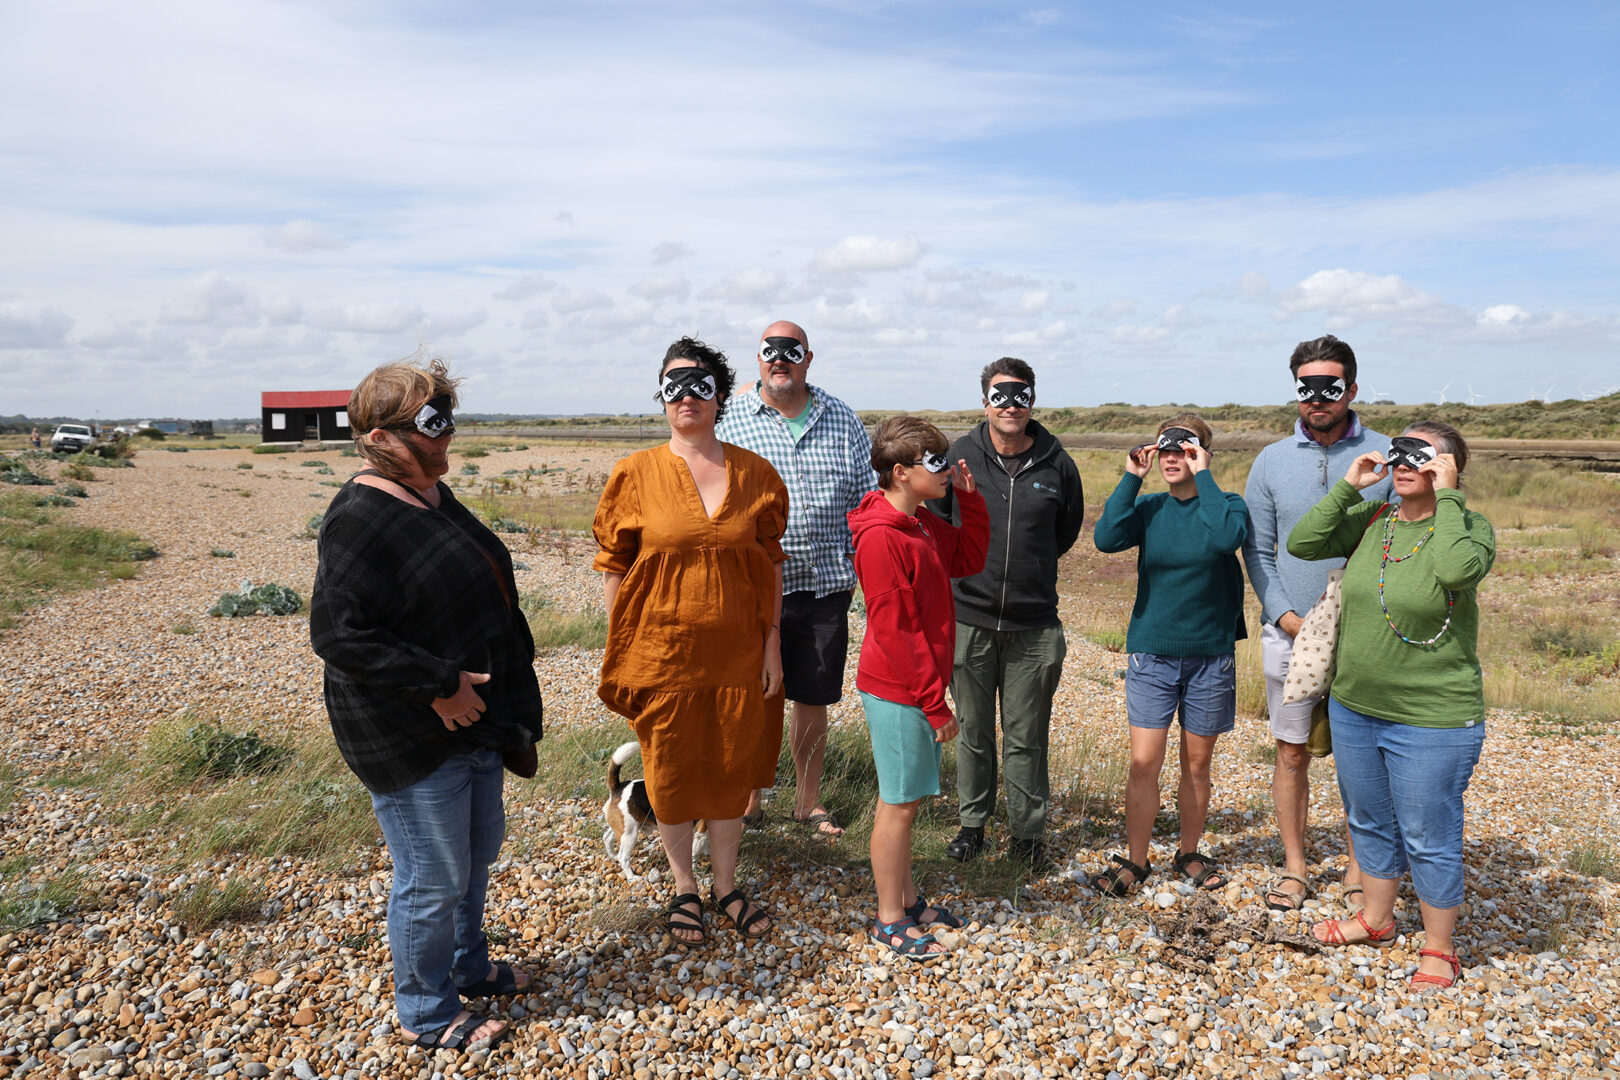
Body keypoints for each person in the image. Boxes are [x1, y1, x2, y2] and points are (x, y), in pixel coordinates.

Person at [310, 355, 541, 1052]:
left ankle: (469, 967)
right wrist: (440, 684)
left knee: (474, 857)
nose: (445, 440)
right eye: (429, 425)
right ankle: (428, 1011)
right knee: (431, 877)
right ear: (380, 438)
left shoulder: (431, 494)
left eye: (447, 421)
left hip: (474, 722)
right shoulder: (358, 514)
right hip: (411, 731)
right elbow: (337, 634)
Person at [594, 336, 788, 946]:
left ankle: (726, 885)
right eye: (673, 385)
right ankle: (684, 888)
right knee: (672, 769)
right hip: (663, 652)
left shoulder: (755, 474)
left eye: (699, 385)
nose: (686, 397)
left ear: (722, 397)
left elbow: (772, 564)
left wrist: (772, 642)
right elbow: (613, 565)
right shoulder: (636, 473)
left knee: (732, 766)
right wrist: (625, 641)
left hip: (738, 650)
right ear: (661, 397)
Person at [1290, 422, 1493, 991]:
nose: (1404, 462)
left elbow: (1454, 573)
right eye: (1400, 451)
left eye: (1422, 455)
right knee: (1369, 819)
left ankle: (1439, 947)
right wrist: (1350, 487)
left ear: (1450, 466)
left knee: (1429, 831)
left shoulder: (1470, 529)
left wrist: (1448, 495)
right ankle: (1376, 920)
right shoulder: (1375, 519)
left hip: (1434, 716)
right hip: (1356, 706)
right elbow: (1303, 542)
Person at [1241, 334, 1394, 913]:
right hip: (1289, 630)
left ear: (1352, 389)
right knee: (1292, 751)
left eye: (1330, 387)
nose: (1318, 398)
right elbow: (1257, 547)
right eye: (1307, 388)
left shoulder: (1384, 453)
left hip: (1364, 632)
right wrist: (1283, 614)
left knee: (1363, 753)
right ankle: (1295, 868)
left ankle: (1360, 870)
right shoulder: (1271, 460)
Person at [716, 320, 876, 836]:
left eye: (791, 350)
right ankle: (748, 799)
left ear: (809, 357)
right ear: (758, 359)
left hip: (826, 584)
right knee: (752, 696)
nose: (780, 359)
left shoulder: (841, 418)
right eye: (770, 351)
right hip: (753, 587)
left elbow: (866, 496)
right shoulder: (731, 417)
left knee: (812, 698)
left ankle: (808, 803)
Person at [925, 358, 1085, 871]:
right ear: (984, 402)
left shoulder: (1058, 463)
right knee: (972, 730)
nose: (1011, 405)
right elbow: (940, 526)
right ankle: (973, 825)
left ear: (1033, 400)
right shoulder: (958, 457)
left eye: (1021, 395)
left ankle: (1027, 834)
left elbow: (1064, 534)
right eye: (1000, 395)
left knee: (1026, 737)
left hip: (1034, 625)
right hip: (968, 620)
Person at [848, 416, 988, 958]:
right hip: (898, 686)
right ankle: (888, 917)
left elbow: (967, 559)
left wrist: (971, 505)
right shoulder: (883, 538)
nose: (948, 469)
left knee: (908, 800)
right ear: (902, 473)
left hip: (914, 681)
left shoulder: (921, 521)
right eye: (936, 462)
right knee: (899, 804)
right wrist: (934, 704)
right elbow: (896, 629)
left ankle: (906, 899)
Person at [1091, 414, 1248, 896]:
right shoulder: (1152, 508)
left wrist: (1205, 476)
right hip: (1153, 653)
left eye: (1187, 449)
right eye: (1168, 449)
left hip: (1209, 654)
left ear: (1203, 454)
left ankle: (1188, 852)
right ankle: (1136, 861)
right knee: (1144, 763)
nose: (1174, 458)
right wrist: (1131, 477)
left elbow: (1225, 539)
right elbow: (1105, 539)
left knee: (1196, 765)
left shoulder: (1229, 505)